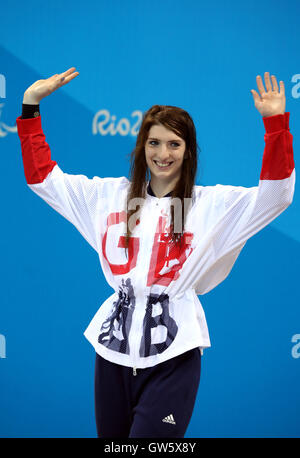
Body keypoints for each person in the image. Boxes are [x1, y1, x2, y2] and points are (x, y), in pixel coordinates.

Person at [16, 68, 295, 438]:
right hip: (112, 354)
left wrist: (276, 124)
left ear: (189, 150)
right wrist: (30, 106)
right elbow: (43, 179)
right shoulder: (109, 197)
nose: (163, 154)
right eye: (154, 143)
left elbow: (276, 195)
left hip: (174, 355)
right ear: (141, 147)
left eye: (174, 144)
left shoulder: (211, 205)